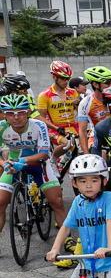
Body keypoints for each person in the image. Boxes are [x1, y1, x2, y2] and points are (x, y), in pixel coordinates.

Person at [0, 94, 67, 241]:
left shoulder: (39, 125)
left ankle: (68, 240)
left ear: (29, 112)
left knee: (57, 202)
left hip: (38, 165)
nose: (16, 117)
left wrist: (23, 160)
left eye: (21, 112)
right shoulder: (1, 128)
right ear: (4, 114)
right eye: (10, 113)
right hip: (12, 165)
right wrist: (5, 163)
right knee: (0, 202)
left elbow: (44, 154)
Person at [37, 61, 80, 164]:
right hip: (55, 128)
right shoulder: (44, 95)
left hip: (72, 127)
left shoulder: (73, 92)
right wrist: (57, 129)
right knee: (67, 143)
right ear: (54, 77)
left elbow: (81, 113)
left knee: (81, 149)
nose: (66, 81)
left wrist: (79, 104)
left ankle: (65, 160)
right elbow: (41, 118)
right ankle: (53, 162)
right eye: (63, 78)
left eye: (68, 79)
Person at [78, 66, 111, 154]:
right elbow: (82, 131)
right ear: (95, 85)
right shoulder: (85, 103)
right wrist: (86, 154)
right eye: (107, 83)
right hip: (96, 136)